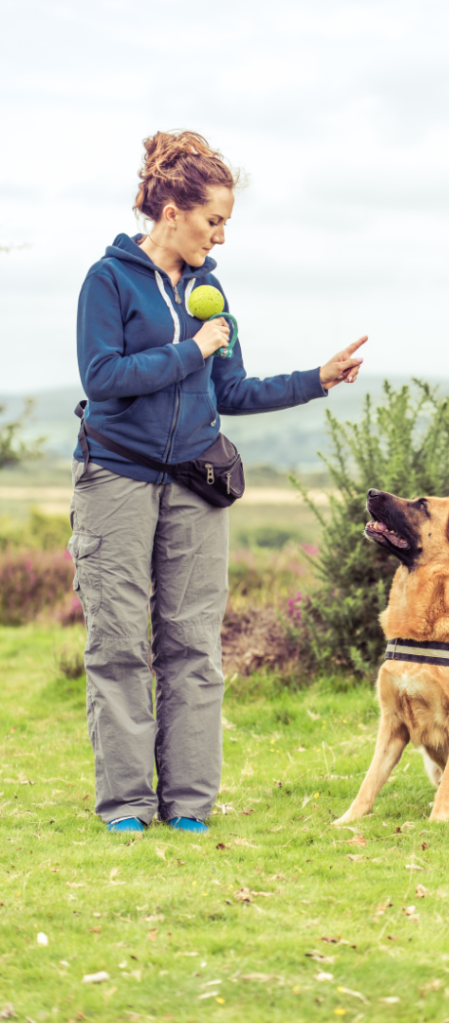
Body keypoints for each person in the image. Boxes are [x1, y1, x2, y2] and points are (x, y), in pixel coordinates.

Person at [69, 130, 366, 835]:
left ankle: (191, 806)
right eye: (214, 221)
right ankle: (128, 807)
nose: (222, 237)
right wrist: (189, 349)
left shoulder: (211, 288)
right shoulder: (108, 280)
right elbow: (102, 378)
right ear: (171, 209)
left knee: (194, 646)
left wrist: (314, 380)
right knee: (118, 646)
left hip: (195, 485)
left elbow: (229, 389)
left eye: (227, 223)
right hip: (115, 479)